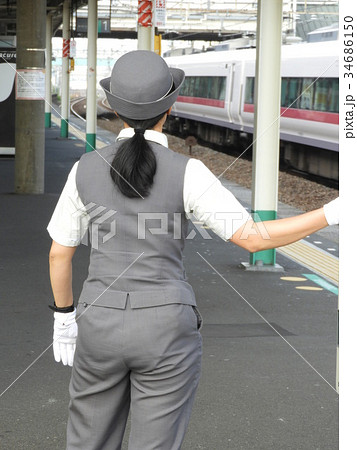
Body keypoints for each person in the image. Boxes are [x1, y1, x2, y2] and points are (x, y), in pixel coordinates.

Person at [47, 50, 339, 450]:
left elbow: (59, 254)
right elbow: (253, 238)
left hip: (98, 320)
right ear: (169, 108)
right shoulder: (189, 172)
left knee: (87, 441)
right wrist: (329, 214)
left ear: (112, 108)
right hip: (166, 328)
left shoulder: (84, 168)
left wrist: (65, 319)